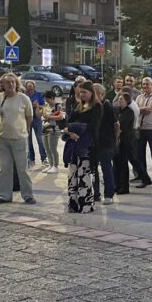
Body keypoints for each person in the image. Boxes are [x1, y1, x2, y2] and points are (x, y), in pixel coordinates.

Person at [0, 74, 35, 205]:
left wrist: (23, 129)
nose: (11, 85)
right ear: (2, 85)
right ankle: (4, 195)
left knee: (22, 169)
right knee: (4, 168)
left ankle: (28, 195)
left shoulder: (24, 99)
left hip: (19, 138)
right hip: (2, 138)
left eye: (13, 82)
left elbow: (29, 117)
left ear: (16, 83)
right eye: (7, 83)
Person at [63, 84, 100, 213]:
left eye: (84, 92)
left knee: (84, 176)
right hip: (73, 145)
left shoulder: (97, 107)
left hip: (86, 146)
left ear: (91, 92)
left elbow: (92, 126)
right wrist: (71, 132)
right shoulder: (78, 106)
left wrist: (75, 129)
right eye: (80, 92)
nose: (82, 95)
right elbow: (67, 123)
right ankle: (73, 204)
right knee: (72, 175)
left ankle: (86, 203)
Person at [134, 78, 152, 188]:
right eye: (143, 84)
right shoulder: (139, 97)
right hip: (140, 128)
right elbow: (134, 109)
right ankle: (144, 178)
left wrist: (138, 109)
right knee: (139, 154)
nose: (145, 86)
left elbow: (149, 109)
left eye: (147, 84)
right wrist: (140, 109)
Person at [92, 83, 117, 204]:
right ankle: (95, 194)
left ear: (102, 94)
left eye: (96, 93)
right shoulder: (91, 106)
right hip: (93, 142)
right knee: (93, 169)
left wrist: (115, 140)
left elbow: (116, 124)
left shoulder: (107, 106)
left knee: (106, 168)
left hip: (106, 142)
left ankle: (109, 194)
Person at [113, 92, 137, 195]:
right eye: (119, 99)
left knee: (123, 164)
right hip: (116, 141)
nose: (119, 100)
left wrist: (118, 129)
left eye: (122, 99)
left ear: (127, 101)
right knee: (116, 164)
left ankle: (124, 186)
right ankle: (116, 184)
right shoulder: (117, 111)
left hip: (125, 140)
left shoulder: (129, 112)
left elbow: (124, 125)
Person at [24, 80, 47, 167]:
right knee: (28, 141)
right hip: (27, 119)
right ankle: (31, 159)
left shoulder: (38, 94)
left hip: (37, 119)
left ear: (34, 87)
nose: (30, 89)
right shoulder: (24, 95)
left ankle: (44, 158)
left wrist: (36, 105)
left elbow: (43, 106)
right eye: (28, 88)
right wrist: (30, 104)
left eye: (31, 87)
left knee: (40, 139)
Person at [41, 91, 64, 175]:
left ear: (52, 98)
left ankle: (55, 165)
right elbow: (41, 115)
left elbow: (60, 117)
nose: (46, 101)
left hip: (54, 129)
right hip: (45, 128)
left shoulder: (58, 106)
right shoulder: (45, 106)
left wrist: (49, 117)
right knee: (47, 148)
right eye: (45, 99)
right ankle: (50, 165)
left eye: (48, 99)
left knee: (52, 148)